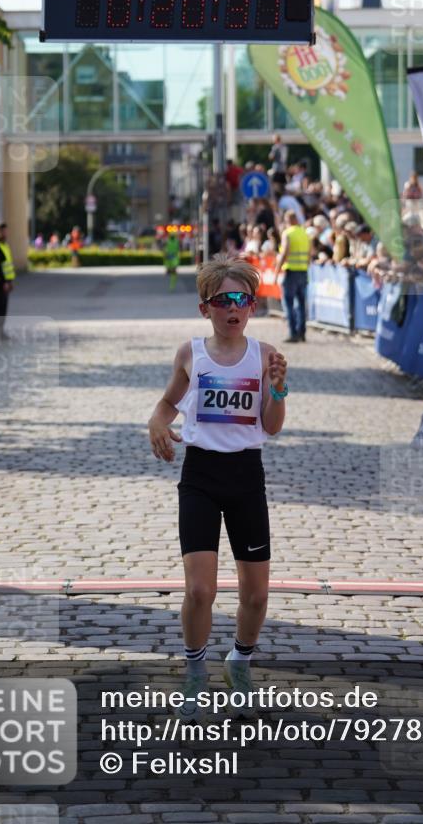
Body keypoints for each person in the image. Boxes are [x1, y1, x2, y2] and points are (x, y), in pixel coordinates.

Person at [147, 255, 288, 719]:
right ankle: (194, 672)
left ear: (252, 306)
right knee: (200, 591)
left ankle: (239, 661)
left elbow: (270, 427)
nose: (235, 308)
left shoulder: (265, 355)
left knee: (256, 594)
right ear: (205, 307)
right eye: (224, 300)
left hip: (247, 476)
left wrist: (279, 390)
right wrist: (156, 423)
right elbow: (169, 403)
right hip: (201, 477)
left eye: (244, 299)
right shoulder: (192, 354)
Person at [275, 209, 311, 343]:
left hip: (291, 272)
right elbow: (309, 254)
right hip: (303, 271)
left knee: (288, 303)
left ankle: (293, 333)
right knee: (301, 303)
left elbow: (284, 253)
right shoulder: (304, 233)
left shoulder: (288, 233)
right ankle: (302, 332)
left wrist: (277, 271)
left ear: (288, 220)